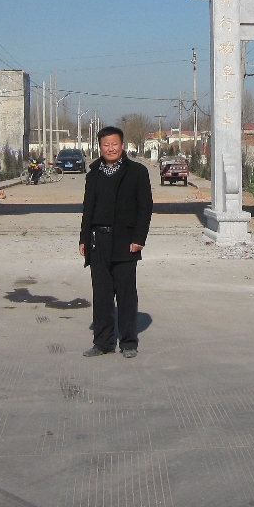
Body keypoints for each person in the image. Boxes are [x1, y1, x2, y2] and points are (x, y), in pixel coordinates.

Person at [78, 126, 153, 358]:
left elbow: (145, 207)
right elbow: (88, 209)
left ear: (122, 145)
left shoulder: (137, 172)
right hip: (98, 241)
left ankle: (128, 342)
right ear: (100, 147)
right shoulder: (93, 174)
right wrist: (83, 238)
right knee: (101, 294)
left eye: (114, 144)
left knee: (125, 293)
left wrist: (139, 238)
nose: (110, 148)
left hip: (125, 241)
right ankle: (103, 342)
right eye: (106, 145)